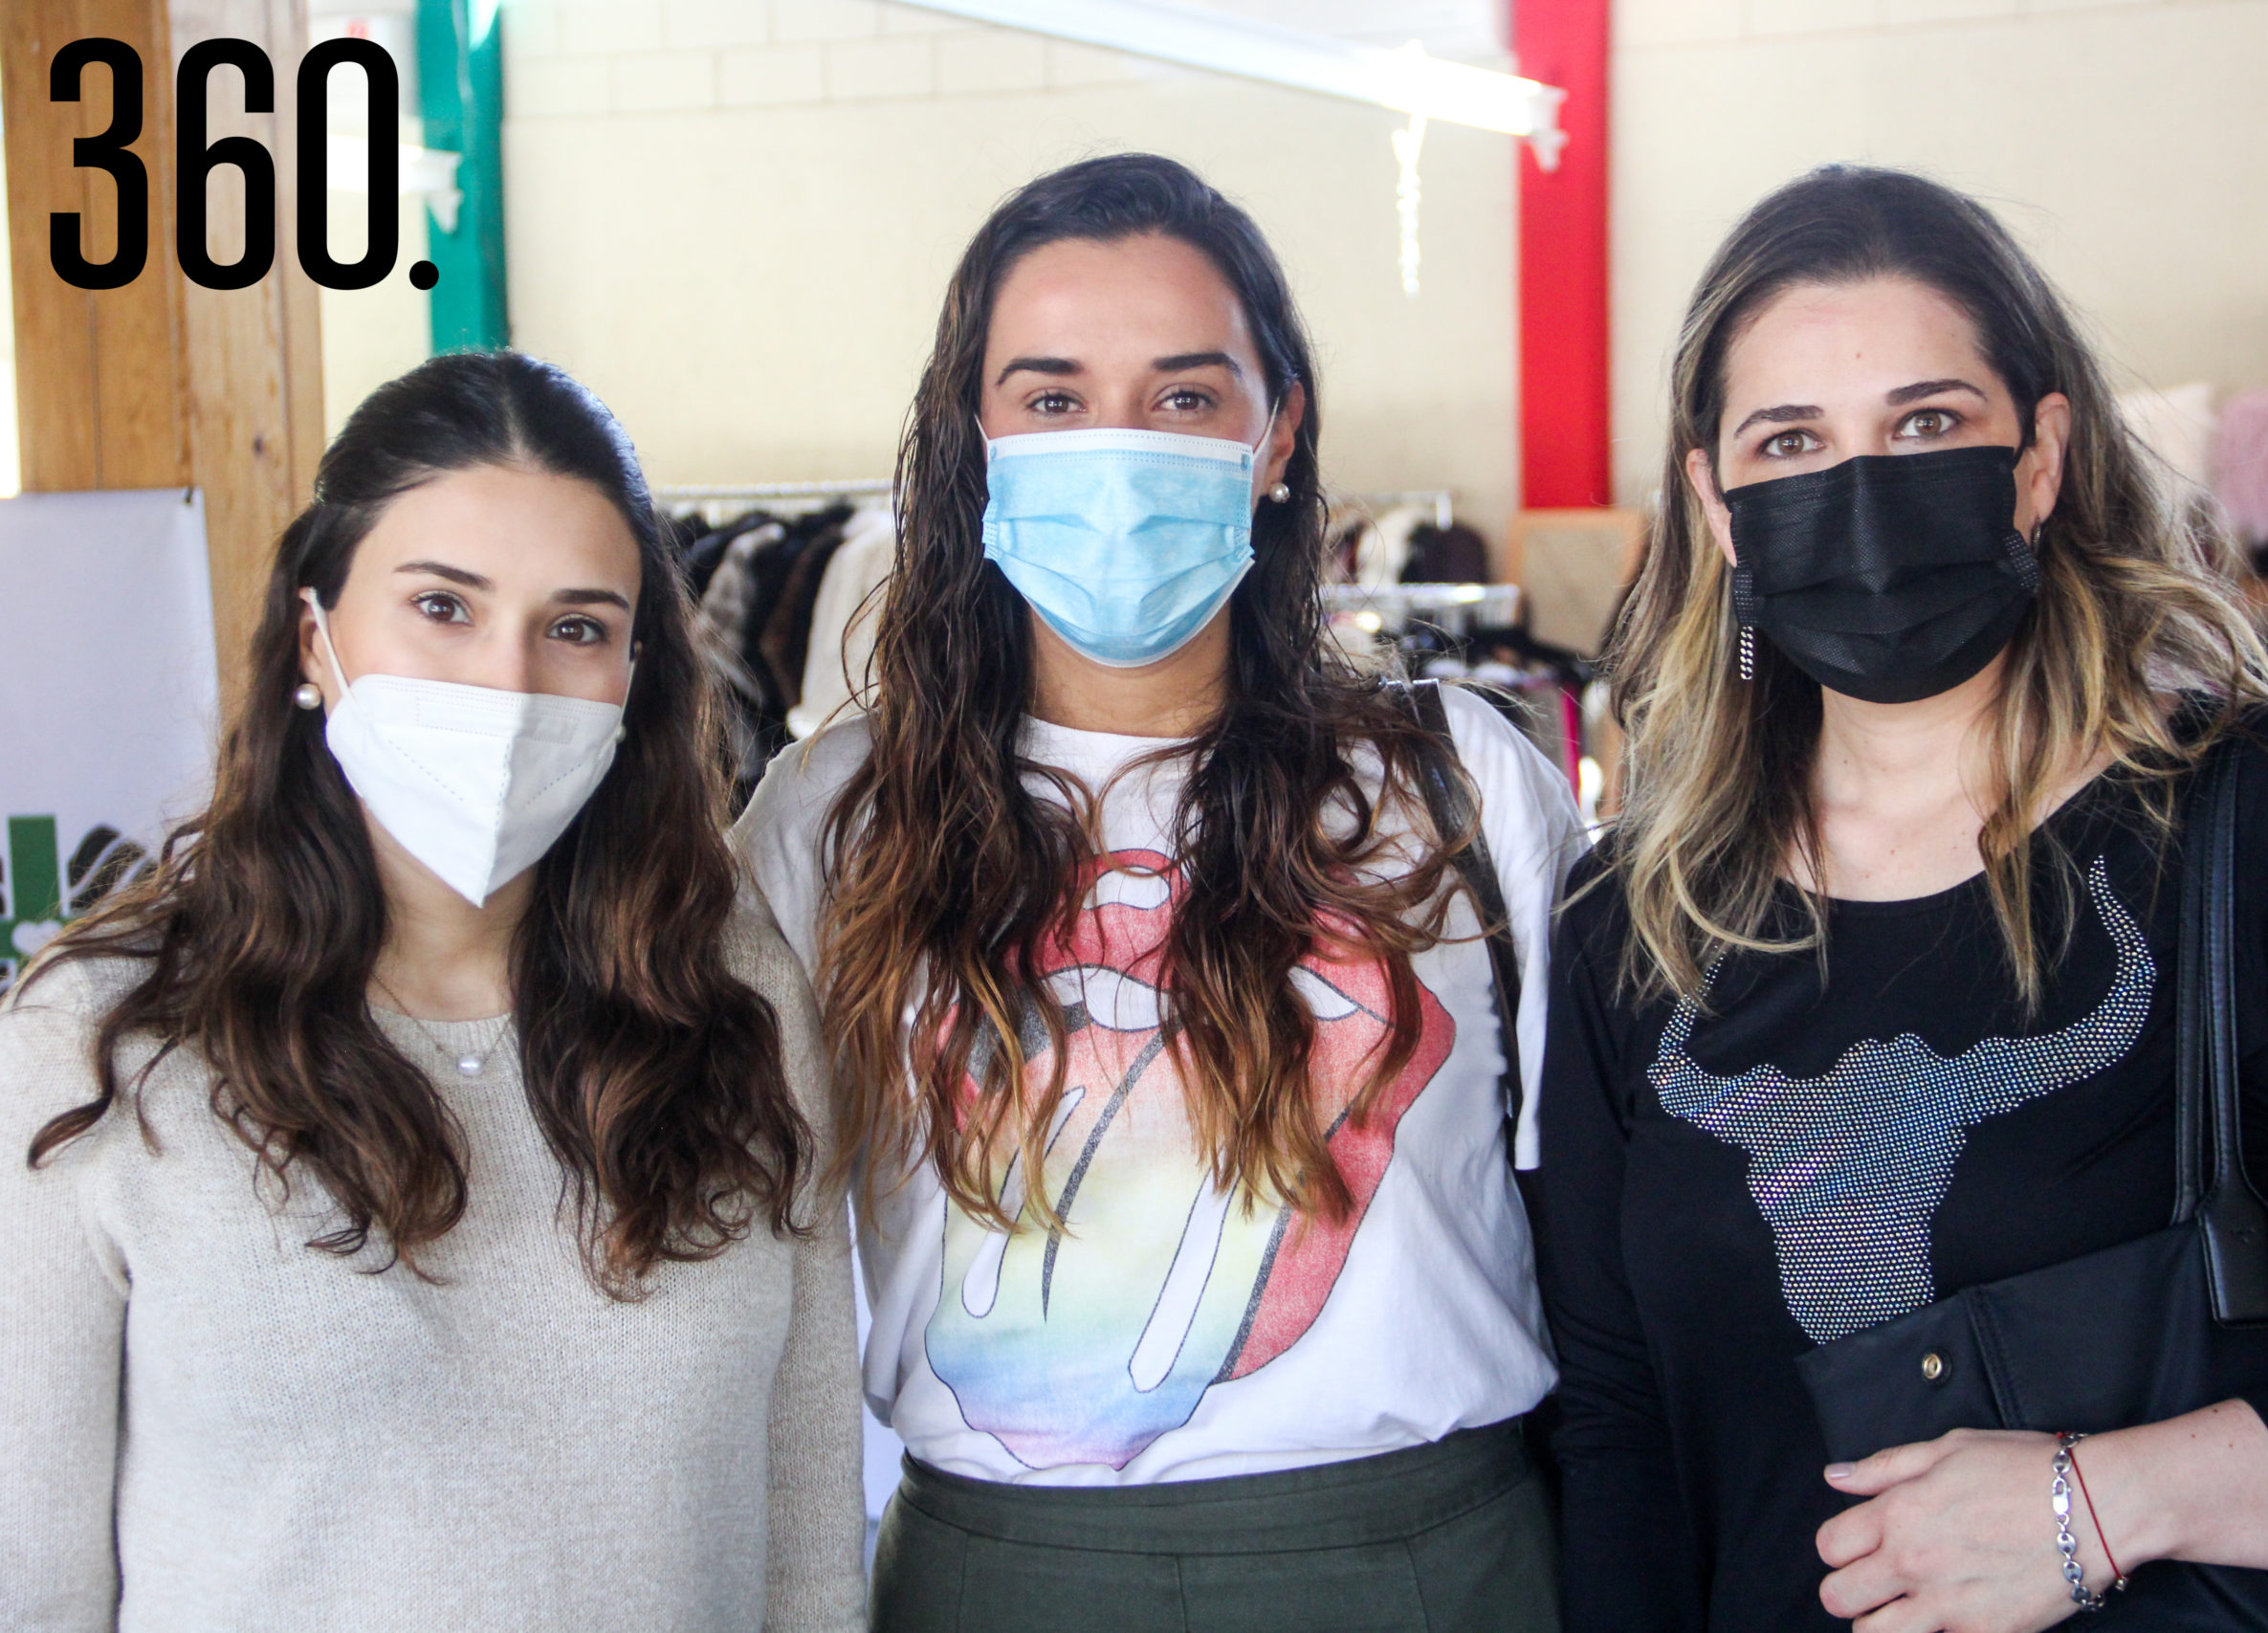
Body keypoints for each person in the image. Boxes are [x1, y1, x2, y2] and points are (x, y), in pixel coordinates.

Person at [1536, 166, 2268, 1631]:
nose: (1864, 491)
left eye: (1926, 425)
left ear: (2038, 459)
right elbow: (1618, 1428)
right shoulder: (1630, 922)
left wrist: (2101, 1508)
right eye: (1791, 441)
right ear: (1717, 507)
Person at [735, 153, 1588, 1631]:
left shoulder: (1457, 780)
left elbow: (1612, 1232)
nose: (1117, 450)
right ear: (975, 438)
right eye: (1053, 399)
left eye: (1186, 397)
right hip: (1001, 1583)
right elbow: (740, 1264)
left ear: (1277, 437)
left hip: (1428, 1567)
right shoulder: (836, 816)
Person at [0, 352, 867, 1630]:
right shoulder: (104, 1031)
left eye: (576, 628)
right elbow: (33, 1579)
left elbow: (807, 1549)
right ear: (315, 633)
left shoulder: (729, 997)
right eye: (442, 607)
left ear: (635, 679)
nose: (504, 684)